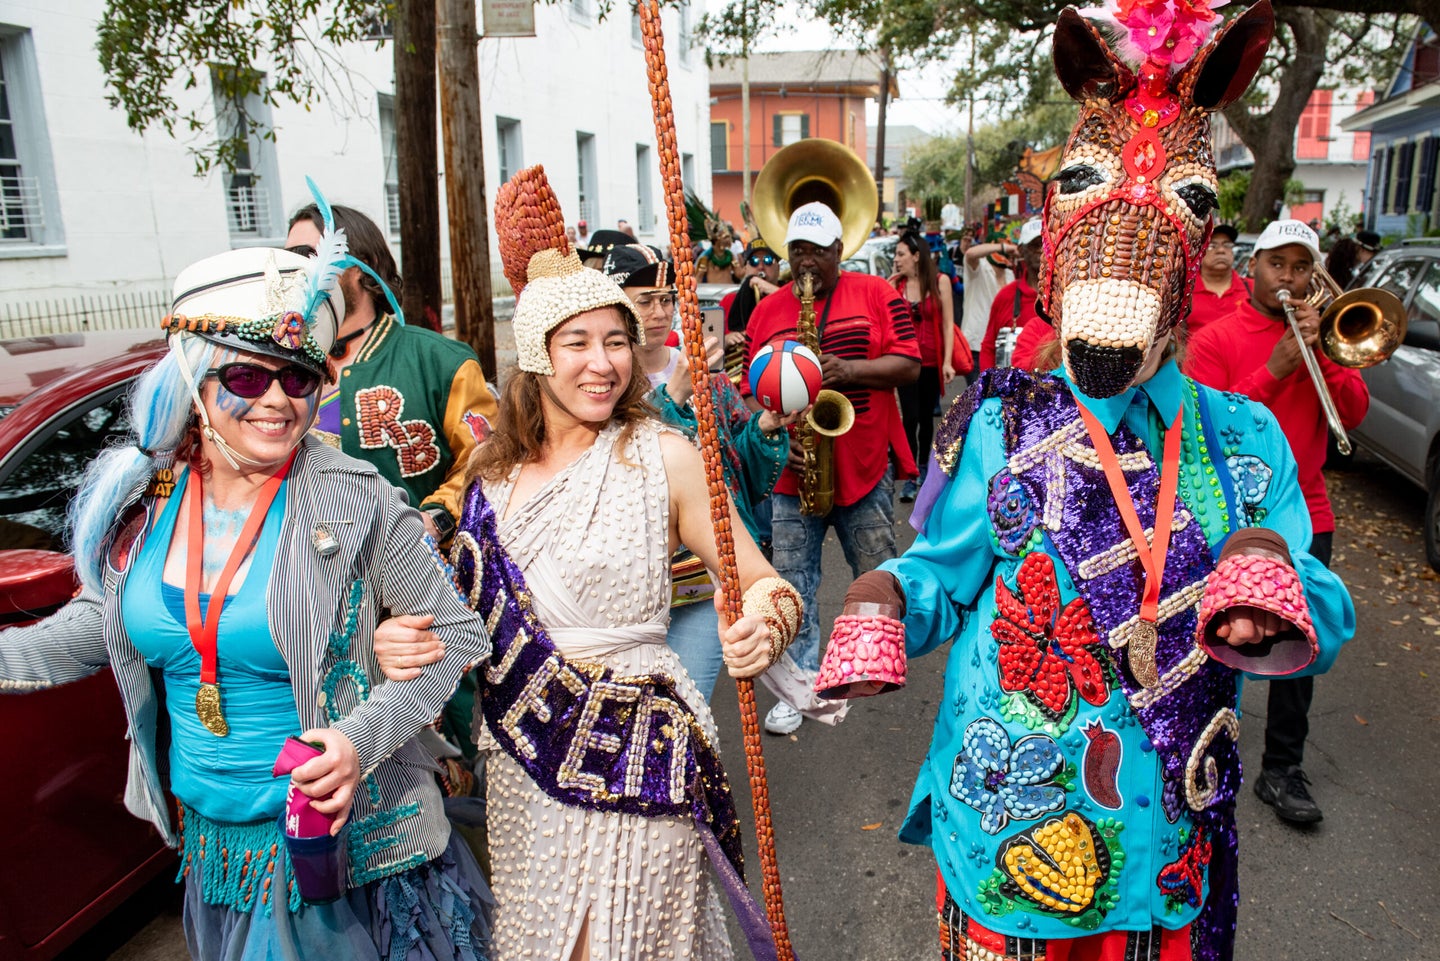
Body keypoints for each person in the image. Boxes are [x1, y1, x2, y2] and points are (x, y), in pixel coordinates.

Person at [821, 5, 1355, 959]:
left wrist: (1272, 591)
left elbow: (1323, 606)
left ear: (1195, 263)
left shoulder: (1246, 436)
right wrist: (882, 598)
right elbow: (945, 572)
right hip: (1015, 820)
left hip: (1168, 842)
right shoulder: (997, 418)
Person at [0, 233, 496, 959]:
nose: (275, 401)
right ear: (196, 384)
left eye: (297, 380)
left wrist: (358, 741)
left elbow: (457, 635)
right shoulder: (144, 499)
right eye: (245, 378)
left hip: (345, 855)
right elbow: (95, 625)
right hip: (216, 852)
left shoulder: (356, 497)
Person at [383, 164, 803, 960]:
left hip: (642, 743)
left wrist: (766, 625)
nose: (603, 362)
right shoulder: (487, 478)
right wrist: (400, 640)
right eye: (578, 342)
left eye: (617, 340)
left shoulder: (665, 456)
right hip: (521, 763)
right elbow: (447, 619)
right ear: (537, 355)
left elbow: (766, 583)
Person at [1185, 219, 1368, 825]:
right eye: (1276, 264)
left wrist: (1325, 358)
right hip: (1226, 517)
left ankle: (1282, 768)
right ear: (1253, 267)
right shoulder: (1216, 336)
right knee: (1217, 636)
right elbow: (1201, 429)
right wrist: (1279, 367)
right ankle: (1196, 749)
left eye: (1299, 267)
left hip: (1305, 512)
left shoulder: (1325, 338)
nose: (1287, 278)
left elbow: (1355, 412)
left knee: (1298, 642)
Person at [741, 200, 920, 736]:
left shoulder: (877, 295)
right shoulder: (766, 311)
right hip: (793, 473)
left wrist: (852, 369)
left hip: (863, 464)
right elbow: (751, 393)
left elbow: (910, 366)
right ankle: (800, 688)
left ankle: (871, 662)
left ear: (840, 251)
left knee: (877, 570)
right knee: (792, 582)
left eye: (818, 250)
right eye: (798, 250)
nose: (807, 261)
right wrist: (772, 432)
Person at [602, 242, 791, 700]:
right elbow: (606, 467)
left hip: (704, 582)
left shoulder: (709, 377)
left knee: (686, 704)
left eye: (666, 299)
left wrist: (765, 427)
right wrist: (672, 397)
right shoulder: (600, 380)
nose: (659, 311)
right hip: (628, 588)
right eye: (644, 300)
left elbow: (738, 467)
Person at [285, 201, 496, 545]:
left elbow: (488, 461)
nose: (297, 269)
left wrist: (436, 520)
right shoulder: (280, 366)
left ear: (360, 266)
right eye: (290, 257)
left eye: (309, 254)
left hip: (420, 576)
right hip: (313, 580)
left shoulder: (439, 361)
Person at [891, 231, 956, 502]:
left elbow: (948, 325)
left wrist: (947, 361)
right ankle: (910, 476)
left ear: (917, 256)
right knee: (911, 419)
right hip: (906, 365)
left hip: (930, 363)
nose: (896, 260)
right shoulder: (897, 285)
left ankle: (924, 468)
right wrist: (888, 283)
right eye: (895, 255)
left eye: (901, 254)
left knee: (928, 420)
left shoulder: (940, 282)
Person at [979, 218, 1043, 369]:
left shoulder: (1066, 296)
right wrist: (987, 389)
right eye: (1035, 245)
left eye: (1045, 244)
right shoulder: (1006, 296)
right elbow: (988, 348)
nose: (1041, 250)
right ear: (1021, 250)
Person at [960, 231, 1015, 372]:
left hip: (1002, 347)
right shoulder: (979, 268)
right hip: (976, 345)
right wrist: (1001, 247)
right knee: (980, 391)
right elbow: (970, 254)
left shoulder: (1010, 275)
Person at [1187, 223, 1249, 334]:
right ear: (1199, 252)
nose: (1221, 250)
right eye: (1212, 245)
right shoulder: (1186, 291)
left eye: (1227, 245)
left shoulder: (1251, 289)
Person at [696, 217, 741, 284]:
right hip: (713, 293)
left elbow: (739, 274)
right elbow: (698, 278)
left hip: (729, 292)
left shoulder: (730, 255)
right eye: (725, 237)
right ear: (716, 240)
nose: (728, 239)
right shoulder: (706, 257)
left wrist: (749, 267)